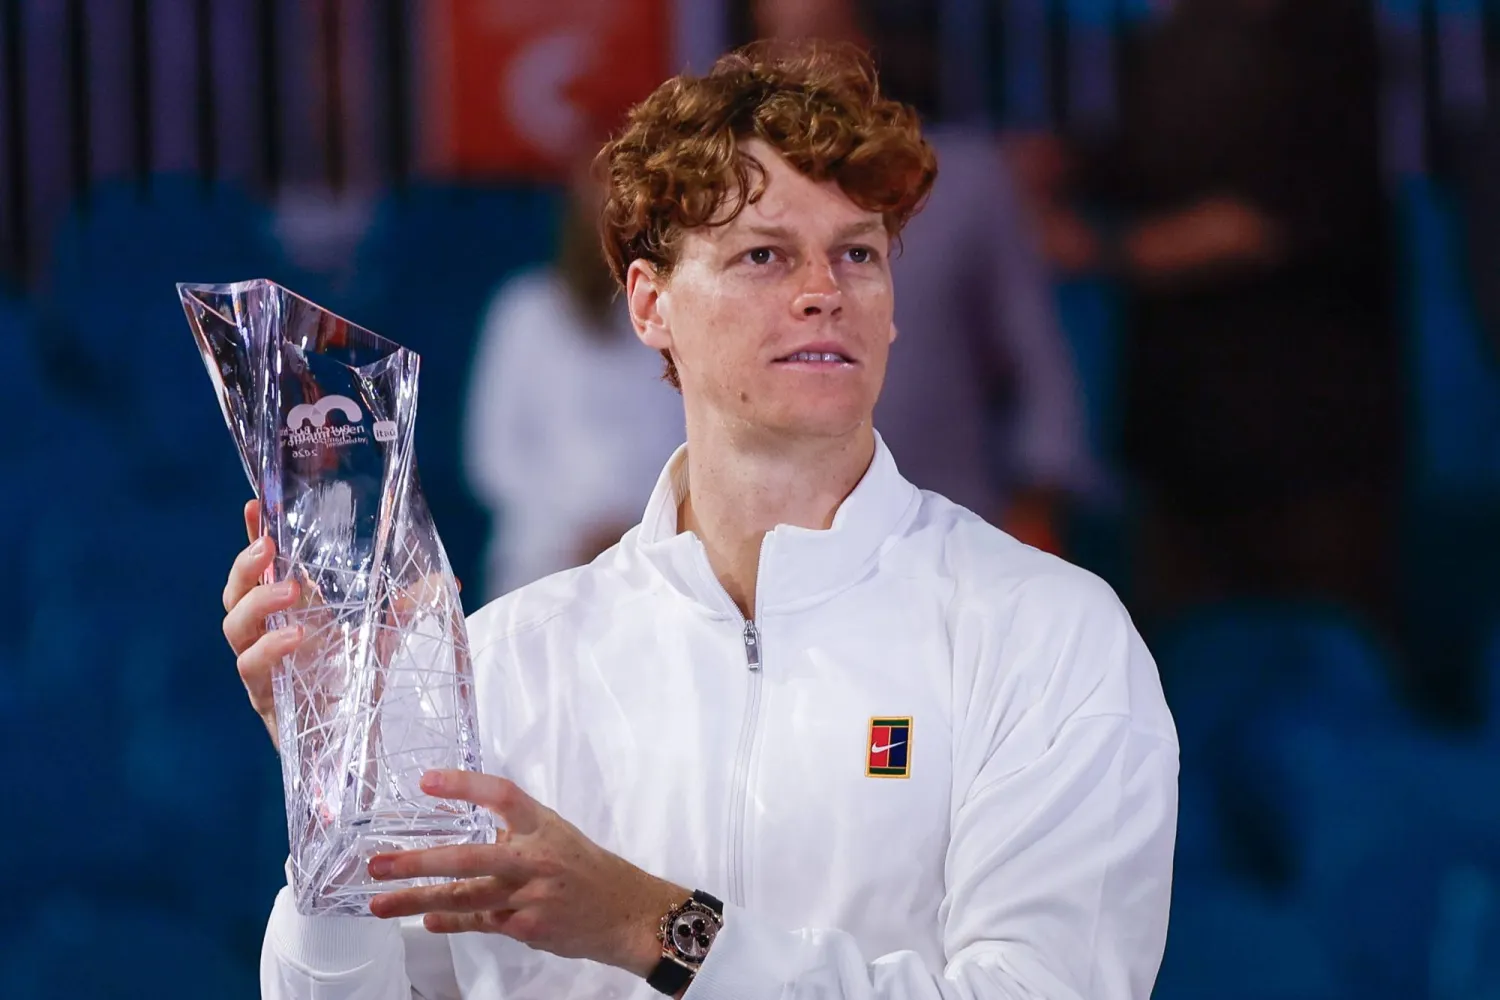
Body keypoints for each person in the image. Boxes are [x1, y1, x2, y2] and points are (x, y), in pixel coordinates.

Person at [221, 42, 1178, 1000]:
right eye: (764, 255)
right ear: (650, 305)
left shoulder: (1045, 634)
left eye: (858, 254)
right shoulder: (505, 665)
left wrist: (652, 926)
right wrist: (333, 796)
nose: (823, 290)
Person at [753, 0, 1099, 554]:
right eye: (777, 41)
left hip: (952, 531)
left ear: (863, 43)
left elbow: (1036, 358)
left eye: (816, 35)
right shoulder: (740, 198)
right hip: (785, 539)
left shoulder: (963, 181)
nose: (795, 62)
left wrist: (1039, 507)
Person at [463, 155, 685, 599]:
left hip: (646, 560)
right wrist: (577, 530)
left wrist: (628, 532)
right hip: (540, 560)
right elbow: (493, 457)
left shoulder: (663, 317)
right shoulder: (524, 311)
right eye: (594, 214)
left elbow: (679, 441)